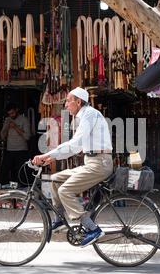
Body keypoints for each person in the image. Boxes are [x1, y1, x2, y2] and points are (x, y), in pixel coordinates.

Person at [32, 87, 113, 247]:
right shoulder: (82, 117)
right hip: (92, 162)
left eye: (69, 101)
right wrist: (50, 157)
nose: (66, 105)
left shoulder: (88, 114)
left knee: (65, 190)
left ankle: (93, 229)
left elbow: (74, 144)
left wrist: (46, 155)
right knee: (55, 180)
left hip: (100, 164)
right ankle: (59, 219)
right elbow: (75, 148)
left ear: (78, 101)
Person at [0, 103, 31, 185]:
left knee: (21, 172)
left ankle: (23, 190)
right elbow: (2, 136)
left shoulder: (24, 120)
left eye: (12, 113)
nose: (11, 115)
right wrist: (6, 128)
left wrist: (15, 127)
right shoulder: (7, 120)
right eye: (9, 114)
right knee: (5, 170)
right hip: (10, 150)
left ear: (17, 110)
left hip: (21, 150)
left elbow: (27, 137)